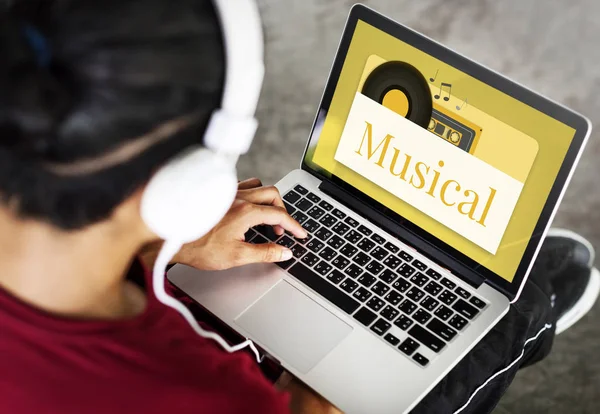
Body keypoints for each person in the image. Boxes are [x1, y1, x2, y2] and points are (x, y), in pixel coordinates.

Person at [0, 1, 597, 413]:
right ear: (192, 183)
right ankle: (533, 317)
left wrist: (169, 245)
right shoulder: (214, 398)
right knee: (505, 310)